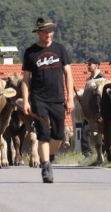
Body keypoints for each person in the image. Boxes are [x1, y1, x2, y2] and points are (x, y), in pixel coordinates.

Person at [21, 17, 75, 184]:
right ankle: (46, 167)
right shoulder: (31, 52)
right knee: (43, 134)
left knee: (58, 135)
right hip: (39, 98)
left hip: (58, 98)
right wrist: (25, 101)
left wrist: (70, 98)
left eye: (51, 31)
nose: (48, 34)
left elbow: (68, 74)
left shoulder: (60, 49)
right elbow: (26, 79)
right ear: (38, 33)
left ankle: (49, 155)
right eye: (45, 31)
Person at [79, 56, 105, 159]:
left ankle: (104, 153)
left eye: (90, 64)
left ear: (97, 65)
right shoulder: (88, 80)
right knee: (84, 131)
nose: (88, 66)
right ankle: (87, 154)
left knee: (102, 131)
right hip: (89, 112)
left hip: (99, 111)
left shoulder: (102, 79)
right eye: (88, 64)